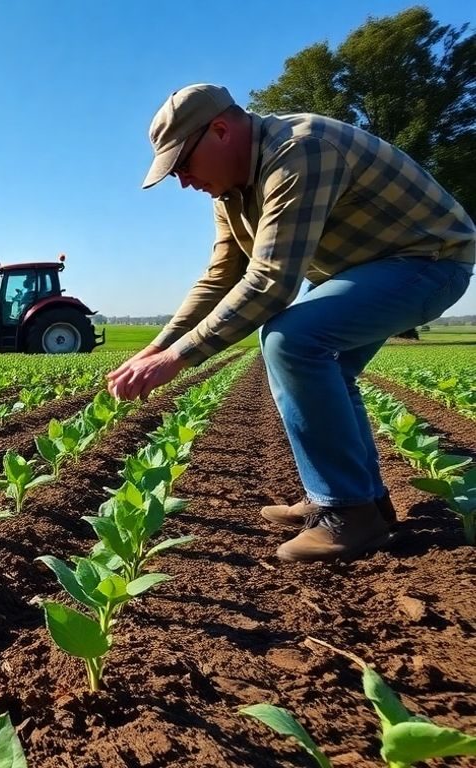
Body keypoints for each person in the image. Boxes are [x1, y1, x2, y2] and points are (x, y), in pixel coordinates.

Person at [108, 83, 474, 562]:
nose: (183, 181)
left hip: (429, 261)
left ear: (220, 131)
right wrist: (157, 347)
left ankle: (348, 514)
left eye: (183, 164)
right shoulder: (232, 193)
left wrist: (179, 358)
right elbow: (222, 275)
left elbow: (271, 284)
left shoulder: (301, 151)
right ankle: (361, 500)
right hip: (368, 269)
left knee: (290, 339)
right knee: (327, 363)